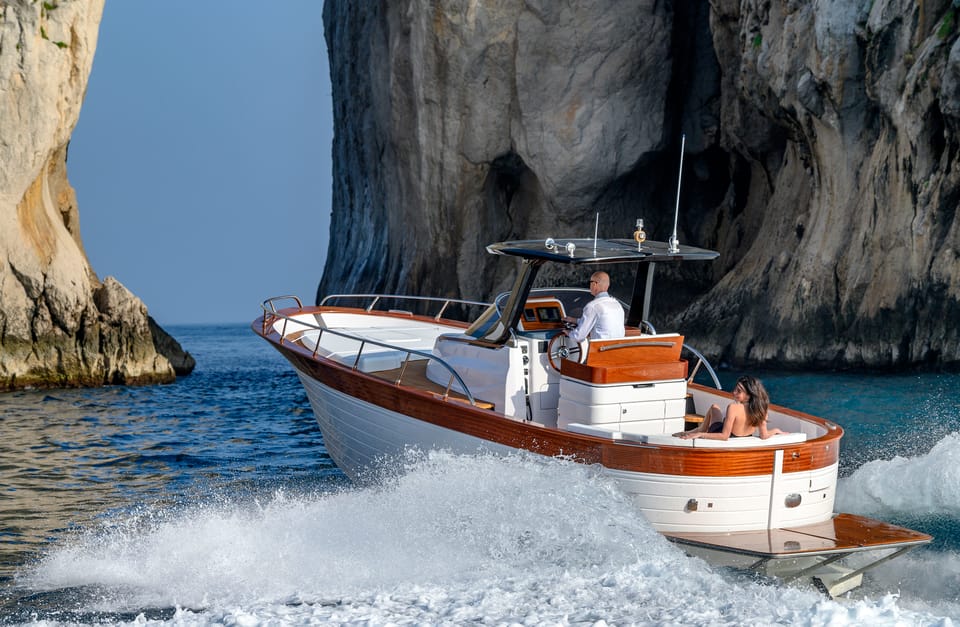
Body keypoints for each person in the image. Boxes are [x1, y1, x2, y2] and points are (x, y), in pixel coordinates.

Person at [674, 376, 788, 440]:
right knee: (716, 409)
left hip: (717, 432)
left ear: (749, 394)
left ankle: (696, 430)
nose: (734, 392)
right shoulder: (761, 409)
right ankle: (694, 431)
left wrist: (700, 435)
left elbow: (724, 436)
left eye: (739, 391)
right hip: (743, 436)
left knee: (714, 407)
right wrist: (776, 430)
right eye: (735, 389)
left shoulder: (733, 407)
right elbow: (764, 436)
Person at [563, 271, 625, 342]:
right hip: (617, 350)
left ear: (594, 284)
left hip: (601, 351)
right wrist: (575, 320)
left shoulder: (593, 306)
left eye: (590, 282)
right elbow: (599, 322)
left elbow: (578, 336)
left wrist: (568, 333)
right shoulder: (617, 304)